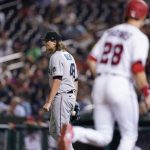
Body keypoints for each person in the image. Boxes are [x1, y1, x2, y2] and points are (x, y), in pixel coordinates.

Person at [58, 0, 150, 150]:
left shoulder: (110, 32)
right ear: (144, 16)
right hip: (121, 83)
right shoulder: (139, 36)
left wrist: (102, 78)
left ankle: (73, 133)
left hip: (101, 83)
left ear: (125, 13)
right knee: (129, 136)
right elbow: (137, 67)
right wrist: (146, 92)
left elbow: (92, 60)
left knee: (104, 136)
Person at [42, 31, 78, 150]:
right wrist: (74, 100)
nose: (45, 44)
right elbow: (75, 81)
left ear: (54, 42)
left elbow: (57, 80)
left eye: (47, 41)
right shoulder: (69, 55)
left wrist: (48, 101)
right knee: (53, 131)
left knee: (62, 135)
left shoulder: (56, 56)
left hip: (62, 96)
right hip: (68, 96)